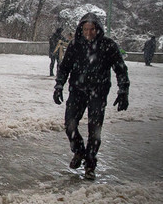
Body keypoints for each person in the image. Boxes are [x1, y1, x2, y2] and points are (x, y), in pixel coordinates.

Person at [53, 12, 129, 180]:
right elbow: (64, 67)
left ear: (98, 29)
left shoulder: (108, 46)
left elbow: (120, 68)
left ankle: (90, 164)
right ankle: (79, 151)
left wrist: (123, 90)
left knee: (94, 131)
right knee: (70, 125)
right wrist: (59, 85)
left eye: (92, 29)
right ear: (81, 29)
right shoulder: (75, 45)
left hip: (98, 92)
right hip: (77, 91)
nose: (89, 33)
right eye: (86, 29)